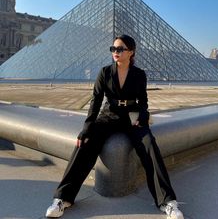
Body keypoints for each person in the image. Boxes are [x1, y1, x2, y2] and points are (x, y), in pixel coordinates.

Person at [46, 34, 184, 219]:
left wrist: (143, 116)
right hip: (108, 115)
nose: (115, 52)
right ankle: (63, 198)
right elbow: (95, 101)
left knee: (149, 143)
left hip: (132, 116)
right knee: (85, 143)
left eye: (120, 49)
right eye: (113, 49)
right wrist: (87, 127)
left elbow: (143, 101)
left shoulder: (139, 74)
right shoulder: (104, 72)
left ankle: (167, 201)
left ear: (131, 52)